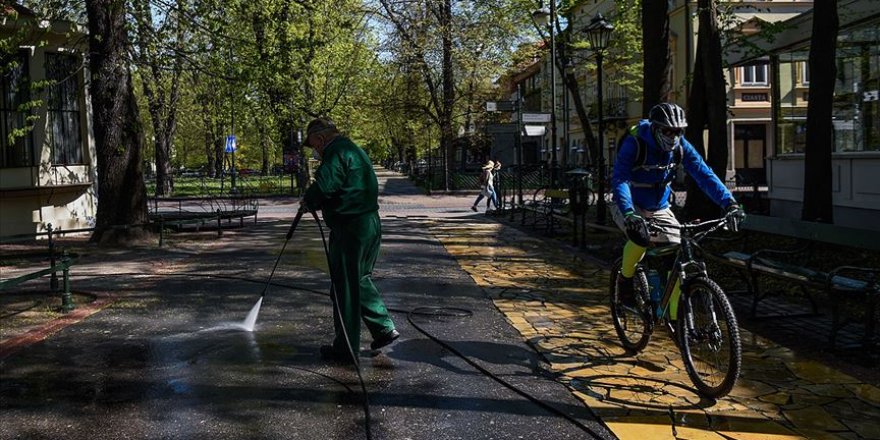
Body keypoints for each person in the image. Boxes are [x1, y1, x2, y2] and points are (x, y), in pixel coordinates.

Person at [611, 103, 744, 313]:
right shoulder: (635, 143)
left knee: (675, 250)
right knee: (640, 238)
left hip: (659, 207)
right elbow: (620, 179)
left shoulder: (681, 147)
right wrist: (629, 212)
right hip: (628, 204)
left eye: (678, 131)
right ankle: (625, 281)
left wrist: (729, 203)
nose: (673, 136)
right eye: (667, 131)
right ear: (655, 128)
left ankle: (672, 315)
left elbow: (704, 174)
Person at [299, 117, 399, 363]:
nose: (314, 150)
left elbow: (325, 186)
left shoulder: (336, 153)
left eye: (313, 144)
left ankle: (346, 348)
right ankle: (383, 329)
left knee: (345, 287)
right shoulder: (354, 150)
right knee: (359, 280)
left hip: (350, 227)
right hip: (369, 223)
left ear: (321, 138)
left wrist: (309, 200)